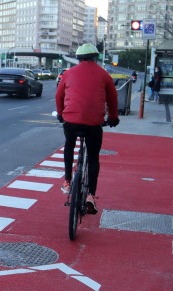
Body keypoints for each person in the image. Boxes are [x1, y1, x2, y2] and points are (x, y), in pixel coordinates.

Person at [55, 43, 119, 215]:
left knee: (69, 145)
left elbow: (58, 95)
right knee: (93, 157)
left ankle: (67, 181)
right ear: (95, 58)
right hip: (93, 124)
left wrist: (61, 114)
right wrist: (113, 118)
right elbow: (113, 98)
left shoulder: (68, 74)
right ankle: (91, 195)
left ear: (78, 58)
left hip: (71, 121)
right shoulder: (104, 75)